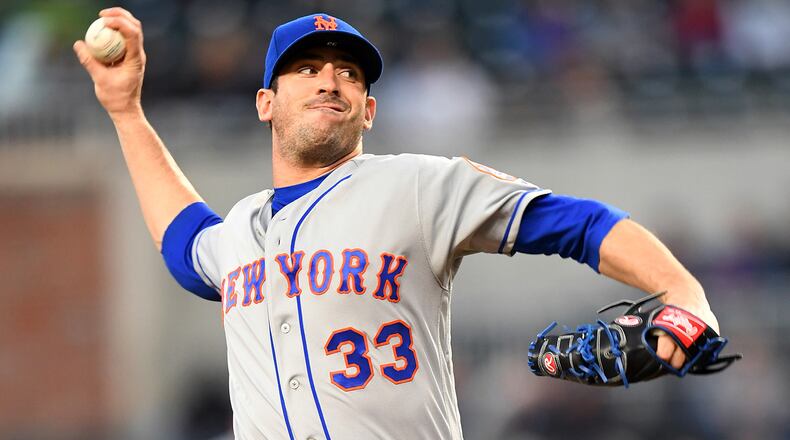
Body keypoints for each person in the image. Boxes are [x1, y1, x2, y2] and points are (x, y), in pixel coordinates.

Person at [74, 8, 721, 440]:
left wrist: (684, 293)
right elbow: (183, 241)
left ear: (369, 110)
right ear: (266, 102)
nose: (330, 81)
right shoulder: (241, 229)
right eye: (307, 69)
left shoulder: (418, 185)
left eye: (348, 74)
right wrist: (125, 111)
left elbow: (577, 223)